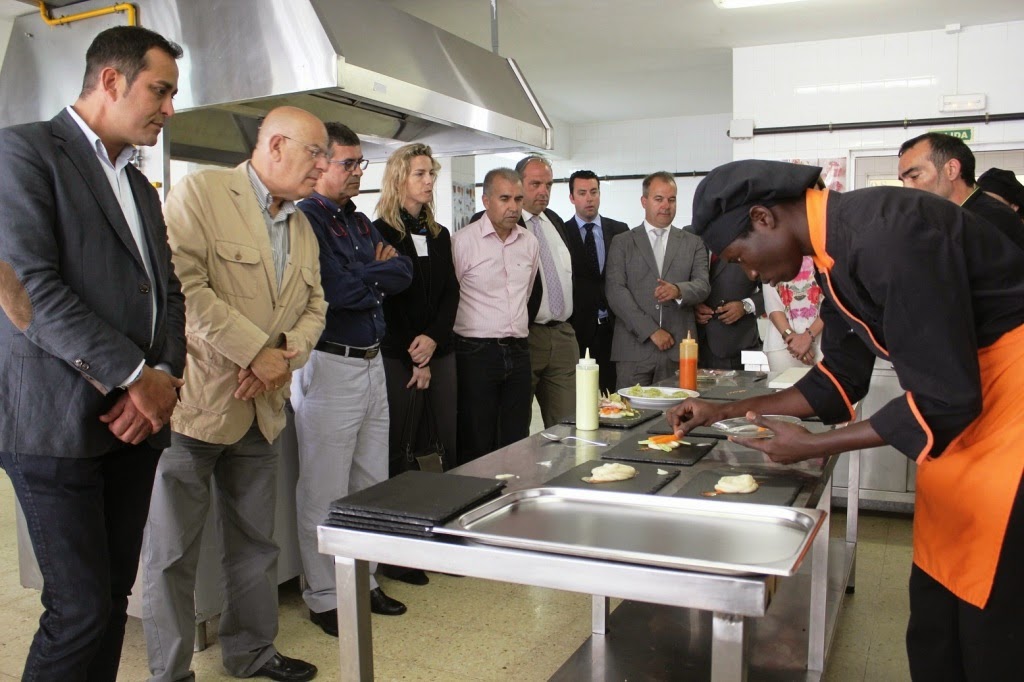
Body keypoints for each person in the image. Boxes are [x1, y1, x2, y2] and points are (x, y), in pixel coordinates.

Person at [671, 159, 1024, 682]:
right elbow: (838, 379)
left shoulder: (887, 234)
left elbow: (946, 397)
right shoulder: (833, 257)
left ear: (764, 218)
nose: (750, 275)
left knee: (990, 621)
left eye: (741, 258)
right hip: (965, 427)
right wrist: (723, 410)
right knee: (938, 610)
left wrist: (814, 446)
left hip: (1009, 414)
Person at [0, 26, 186, 681]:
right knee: (77, 611)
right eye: (159, 90)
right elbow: (30, 290)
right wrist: (135, 375)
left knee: (109, 602)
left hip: (134, 426)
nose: (169, 108)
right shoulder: (23, 153)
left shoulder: (138, 186)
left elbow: (168, 291)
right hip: (54, 425)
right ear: (111, 80)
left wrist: (164, 376)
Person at [141, 106, 327, 682]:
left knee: (255, 543)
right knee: (172, 551)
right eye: (315, 153)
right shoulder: (201, 195)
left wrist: (283, 356)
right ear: (275, 146)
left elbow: (316, 306)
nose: (323, 167)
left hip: (261, 408)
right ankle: (170, 672)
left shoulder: (301, 225)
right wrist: (254, 352)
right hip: (195, 404)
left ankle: (251, 651)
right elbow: (184, 290)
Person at [290, 122, 414, 636]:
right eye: (348, 163)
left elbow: (404, 273)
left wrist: (368, 273)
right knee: (325, 487)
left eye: (361, 163)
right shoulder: (306, 220)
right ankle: (324, 596)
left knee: (370, 482)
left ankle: (364, 581)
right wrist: (374, 273)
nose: (357, 172)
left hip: (371, 360)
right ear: (321, 165)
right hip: (330, 363)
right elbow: (333, 290)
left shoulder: (360, 222)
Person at [373, 143, 460, 478]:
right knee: (401, 442)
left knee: (444, 440)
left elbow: (450, 292)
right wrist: (417, 357)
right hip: (399, 355)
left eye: (431, 173)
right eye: (420, 174)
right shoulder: (380, 233)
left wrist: (433, 338)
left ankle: (443, 502)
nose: (429, 181)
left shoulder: (439, 234)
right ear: (399, 179)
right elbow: (387, 300)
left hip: (441, 351)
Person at [452, 168, 539, 464]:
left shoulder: (529, 242)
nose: (513, 207)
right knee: (477, 438)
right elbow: (451, 296)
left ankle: (514, 491)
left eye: (518, 199)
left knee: (516, 436)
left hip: (518, 350)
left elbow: (526, 293)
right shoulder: (463, 242)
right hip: (476, 352)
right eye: (504, 199)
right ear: (486, 200)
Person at [605, 171, 710, 385]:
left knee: (678, 406)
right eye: (659, 199)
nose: (666, 206)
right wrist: (651, 331)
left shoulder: (693, 242)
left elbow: (703, 285)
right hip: (633, 350)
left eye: (671, 199)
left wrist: (678, 290)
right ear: (644, 201)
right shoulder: (622, 242)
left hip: (679, 350)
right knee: (629, 406)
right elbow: (616, 292)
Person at [516, 156, 578, 426]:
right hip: (527, 335)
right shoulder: (507, 223)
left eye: (549, 185)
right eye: (536, 184)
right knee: (518, 422)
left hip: (562, 336)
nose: (544, 191)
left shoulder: (554, 220)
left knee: (570, 424)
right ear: (518, 184)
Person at [562, 170, 629, 392]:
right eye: (582, 193)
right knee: (583, 396)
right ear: (572, 197)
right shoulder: (563, 232)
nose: (589, 198)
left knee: (616, 395)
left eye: (594, 192)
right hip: (579, 329)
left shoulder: (619, 231)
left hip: (615, 328)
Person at [898, 132, 1024, 250]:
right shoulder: (948, 218)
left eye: (914, 176)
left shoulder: (991, 221)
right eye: (903, 180)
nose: (906, 188)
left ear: (951, 170)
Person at [694, 254, 763, 370]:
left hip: (736, 345)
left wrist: (745, 306)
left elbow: (774, 290)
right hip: (691, 346)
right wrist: (692, 304)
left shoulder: (752, 247)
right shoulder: (690, 244)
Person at [761, 256, 824, 372]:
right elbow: (772, 304)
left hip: (824, 342)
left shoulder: (827, 252)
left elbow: (833, 303)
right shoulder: (771, 253)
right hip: (783, 345)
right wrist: (792, 339)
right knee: (783, 383)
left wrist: (807, 337)